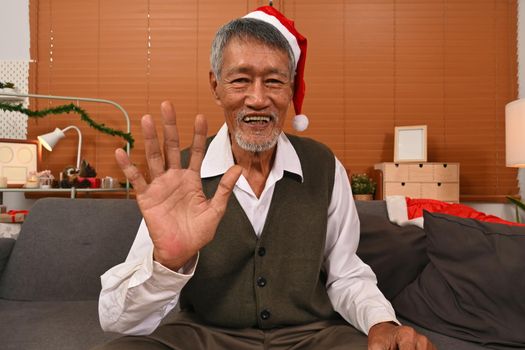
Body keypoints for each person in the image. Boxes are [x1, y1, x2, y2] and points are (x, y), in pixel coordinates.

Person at [96, 6, 436, 350]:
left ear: (290, 89)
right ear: (216, 85)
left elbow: (345, 274)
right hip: (205, 336)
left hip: (313, 336)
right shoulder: (179, 177)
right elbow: (116, 320)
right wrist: (168, 264)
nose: (258, 99)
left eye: (274, 81)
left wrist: (382, 323)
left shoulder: (323, 165)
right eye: (240, 79)